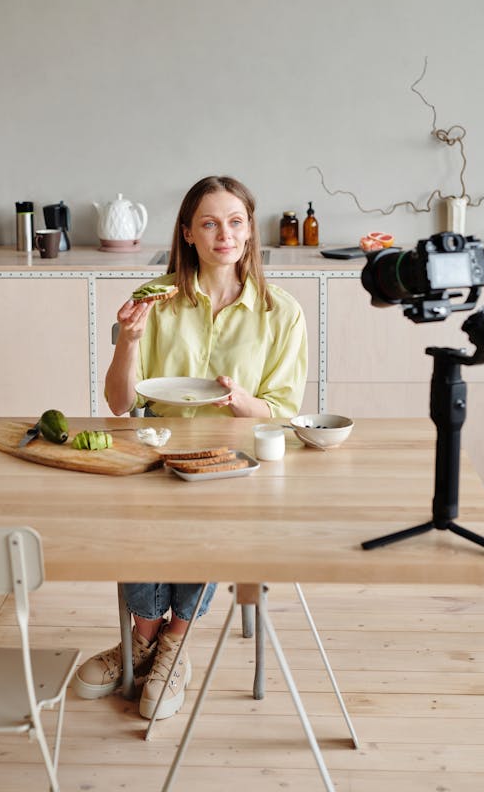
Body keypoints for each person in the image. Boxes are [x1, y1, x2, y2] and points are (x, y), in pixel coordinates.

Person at [73, 175, 308, 719]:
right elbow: (117, 402)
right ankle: (143, 635)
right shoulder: (156, 299)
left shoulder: (282, 312)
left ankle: (173, 643)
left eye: (234, 221)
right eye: (209, 223)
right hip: (158, 446)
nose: (223, 234)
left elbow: (284, 412)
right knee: (136, 509)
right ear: (188, 234)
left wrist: (242, 402)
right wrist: (129, 342)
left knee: (208, 518)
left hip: (236, 458)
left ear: (249, 231)